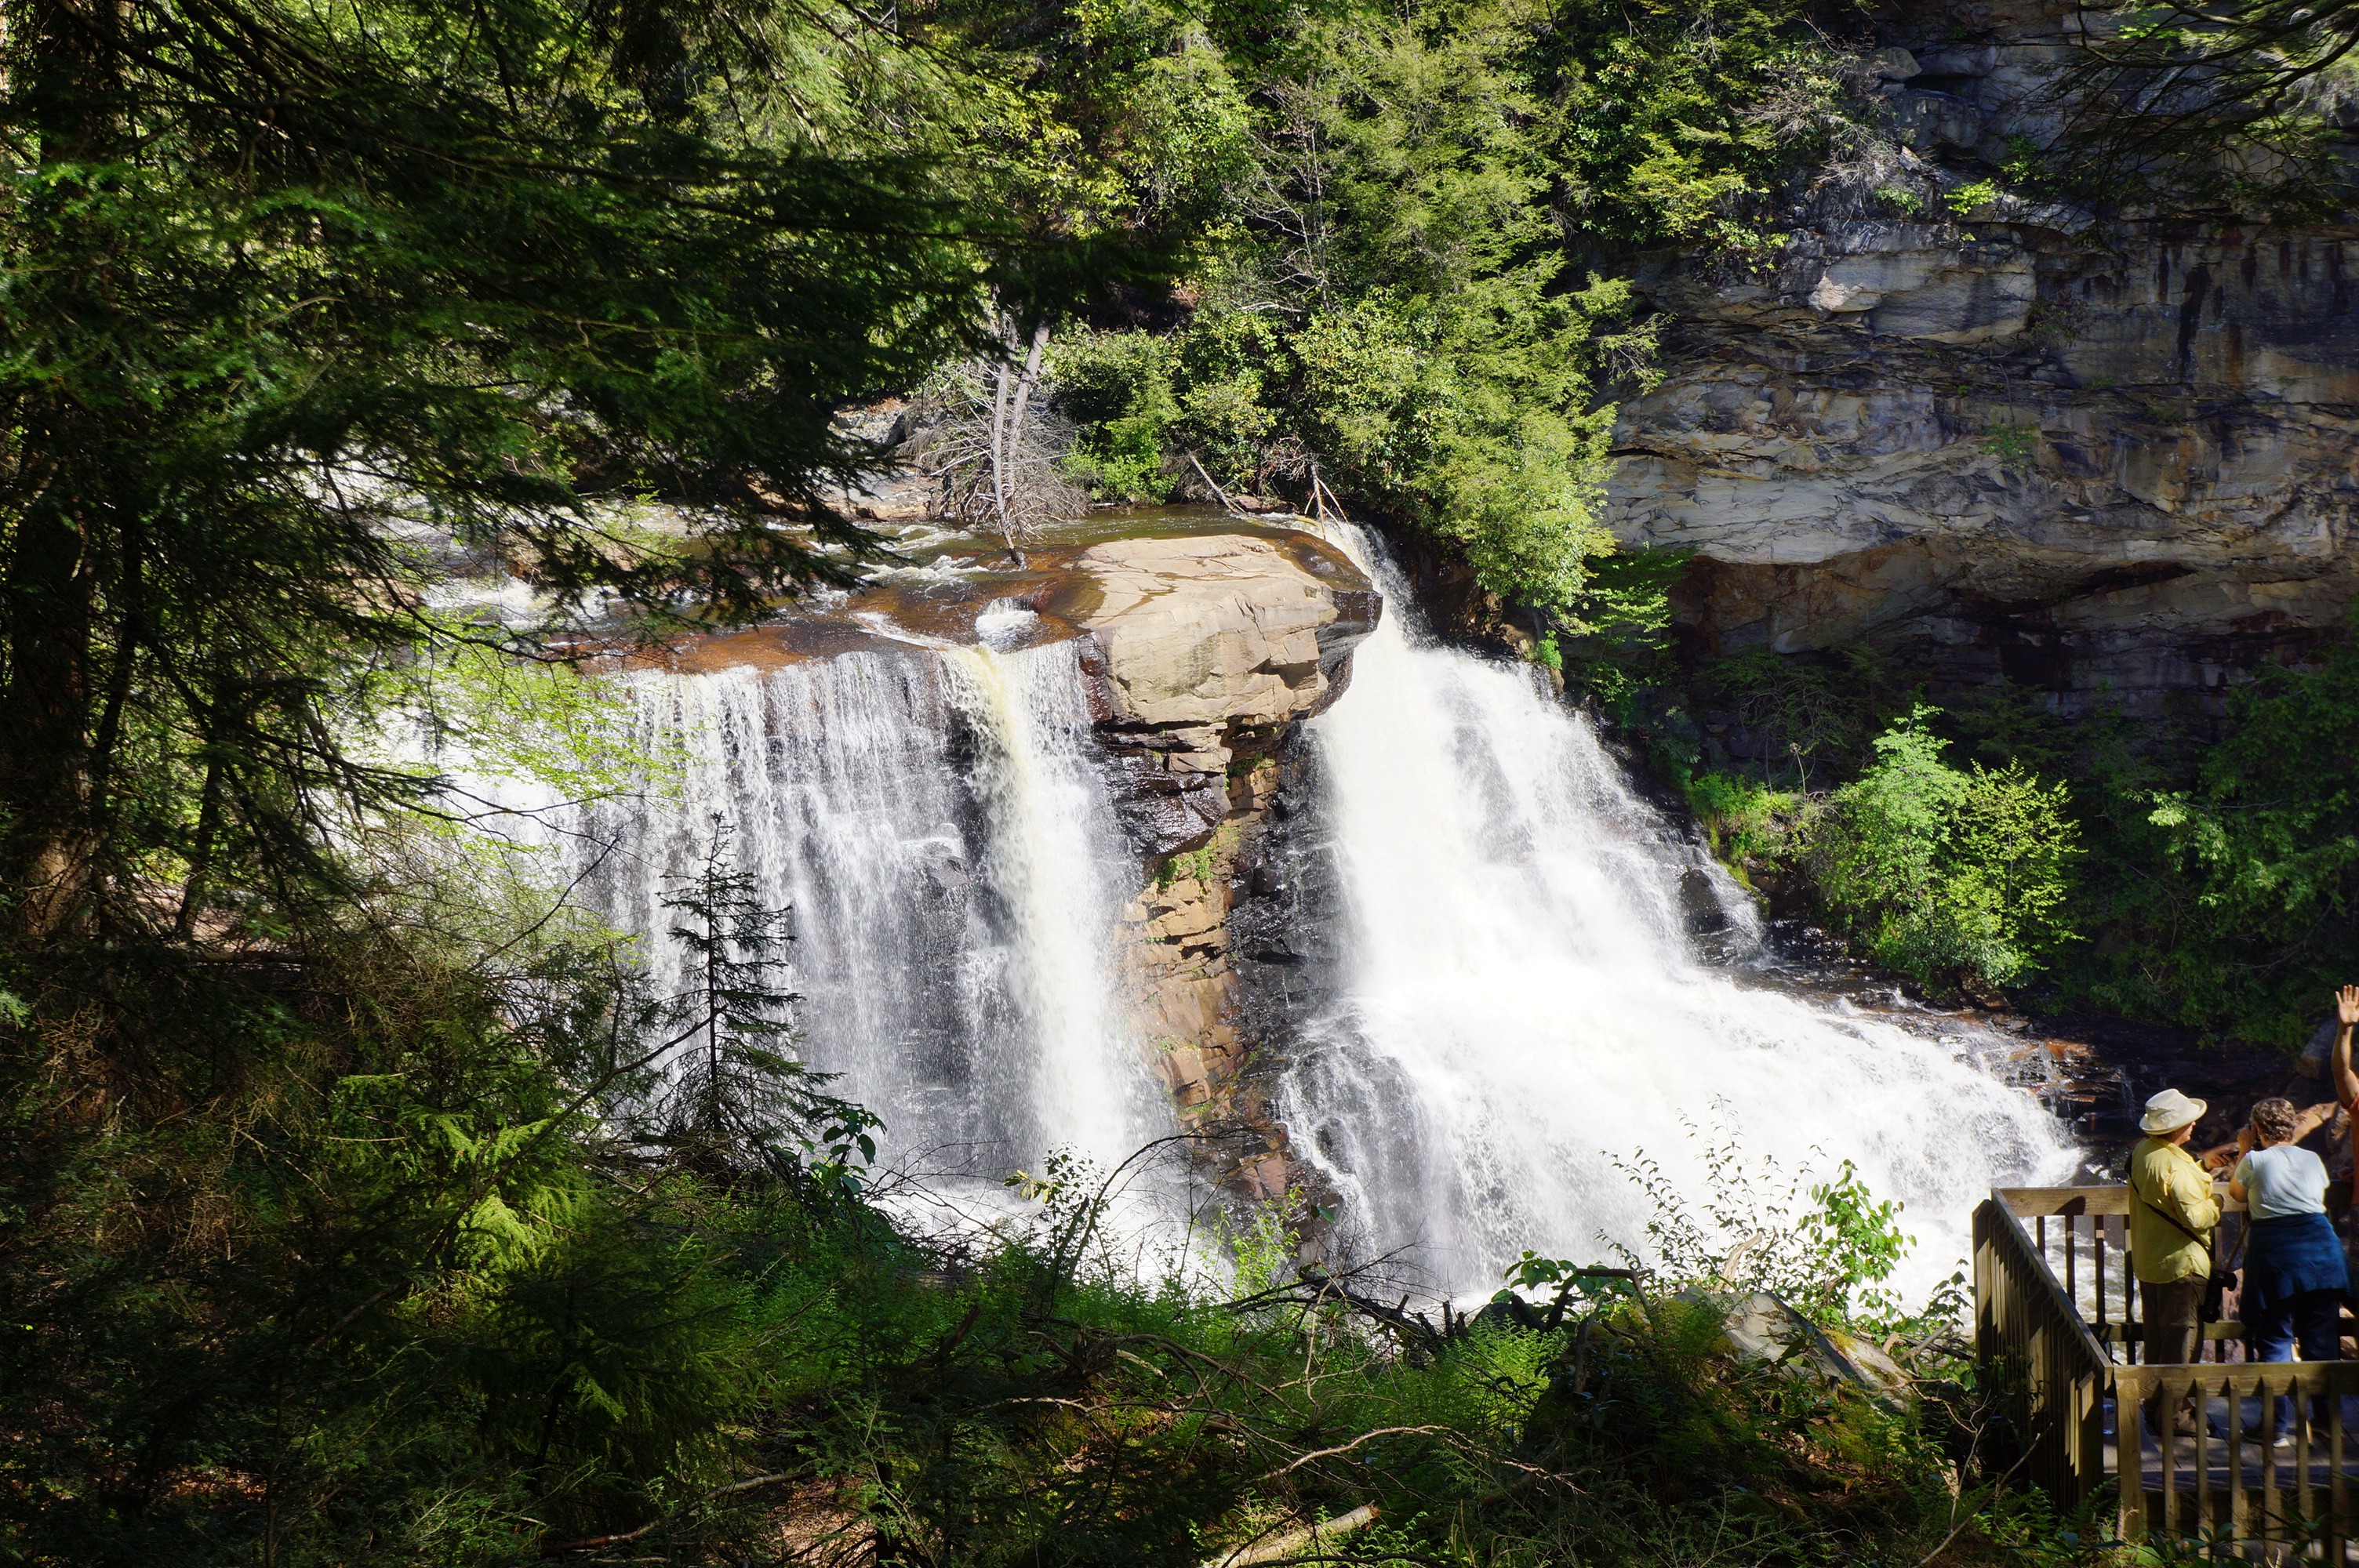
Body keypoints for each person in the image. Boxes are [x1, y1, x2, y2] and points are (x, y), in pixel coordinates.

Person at [2233, 1095, 2354, 1441]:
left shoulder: (2255, 1159)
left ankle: (2275, 1427)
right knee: (2321, 1339)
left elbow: (2238, 1194)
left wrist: (2244, 1150)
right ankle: (2327, 1423)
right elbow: (2322, 1190)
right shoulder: (2312, 1158)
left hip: (2278, 1256)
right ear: (2290, 1126)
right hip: (2321, 1253)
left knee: (2274, 1337)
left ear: (2257, 1129)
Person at [2130, 1087, 2220, 1377]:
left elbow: (2163, 1190)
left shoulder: (2143, 1152)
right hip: (2181, 1268)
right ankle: (2176, 1416)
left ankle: (2156, 1408)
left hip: (2150, 1263)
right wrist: (2216, 1203)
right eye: (2190, 1120)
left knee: (2157, 1341)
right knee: (2181, 1348)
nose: (2194, 1123)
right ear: (2176, 1127)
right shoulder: (2178, 1169)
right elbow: (2197, 1217)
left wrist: (2203, 1165)